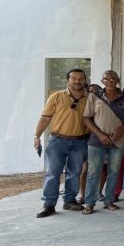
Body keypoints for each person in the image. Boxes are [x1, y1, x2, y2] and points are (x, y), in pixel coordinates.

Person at [33, 68, 89, 218]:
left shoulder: (90, 98)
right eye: (74, 78)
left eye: (80, 78)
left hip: (80, 141)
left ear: (85, 80)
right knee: (53, 173)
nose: (77, 81)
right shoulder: (56, 97)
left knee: (75, 173)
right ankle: (49, 204)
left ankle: (69, 200)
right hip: (57, 141)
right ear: (67, 81)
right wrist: (36, 136)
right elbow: (45, 118)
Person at [82, 69, 124, 214]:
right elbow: (86, 118)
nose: (110, 82)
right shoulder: (94, 96)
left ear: (118, 81)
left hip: (118, 141)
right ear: (102, 81)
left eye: (113, 79)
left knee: (114, 171)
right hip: (97, 140)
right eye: (107, 79)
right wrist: (100, 134)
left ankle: (109, 200)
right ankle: (89, 202)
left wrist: (121, 129)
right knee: (93, 172)